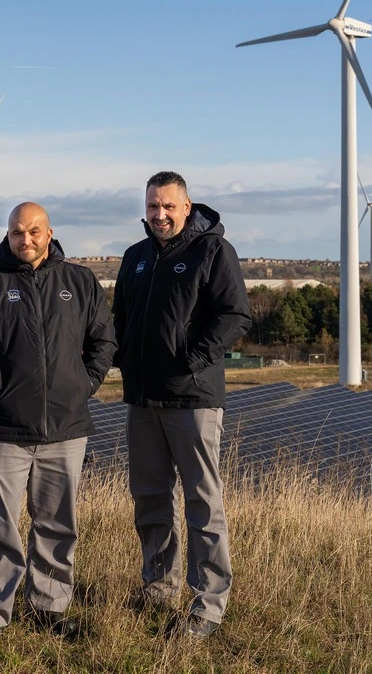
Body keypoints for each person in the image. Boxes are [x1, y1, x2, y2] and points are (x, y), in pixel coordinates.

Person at [0, 202, 116, 643]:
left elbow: (103, 339)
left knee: (58, 523)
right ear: (7, 235)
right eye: (18, 233)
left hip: (66, 427)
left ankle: (50, 607)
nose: (26, 240)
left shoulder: (78, 282)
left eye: (35, 231)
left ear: (50, 232)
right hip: (2, 428)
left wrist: (83, 386)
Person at [112, 171, 251, 639]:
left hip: (192, 398)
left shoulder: (212, 251)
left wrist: (192, 360)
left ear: (186, 207)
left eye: (168, 206)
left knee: (201, 501)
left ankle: (208, 604)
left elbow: (235, 315)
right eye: (153, 206)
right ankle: (158, 583)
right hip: (142, 397)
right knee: (150, 498)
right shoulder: (136, 257)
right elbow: (120, 321)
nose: (160, 214)